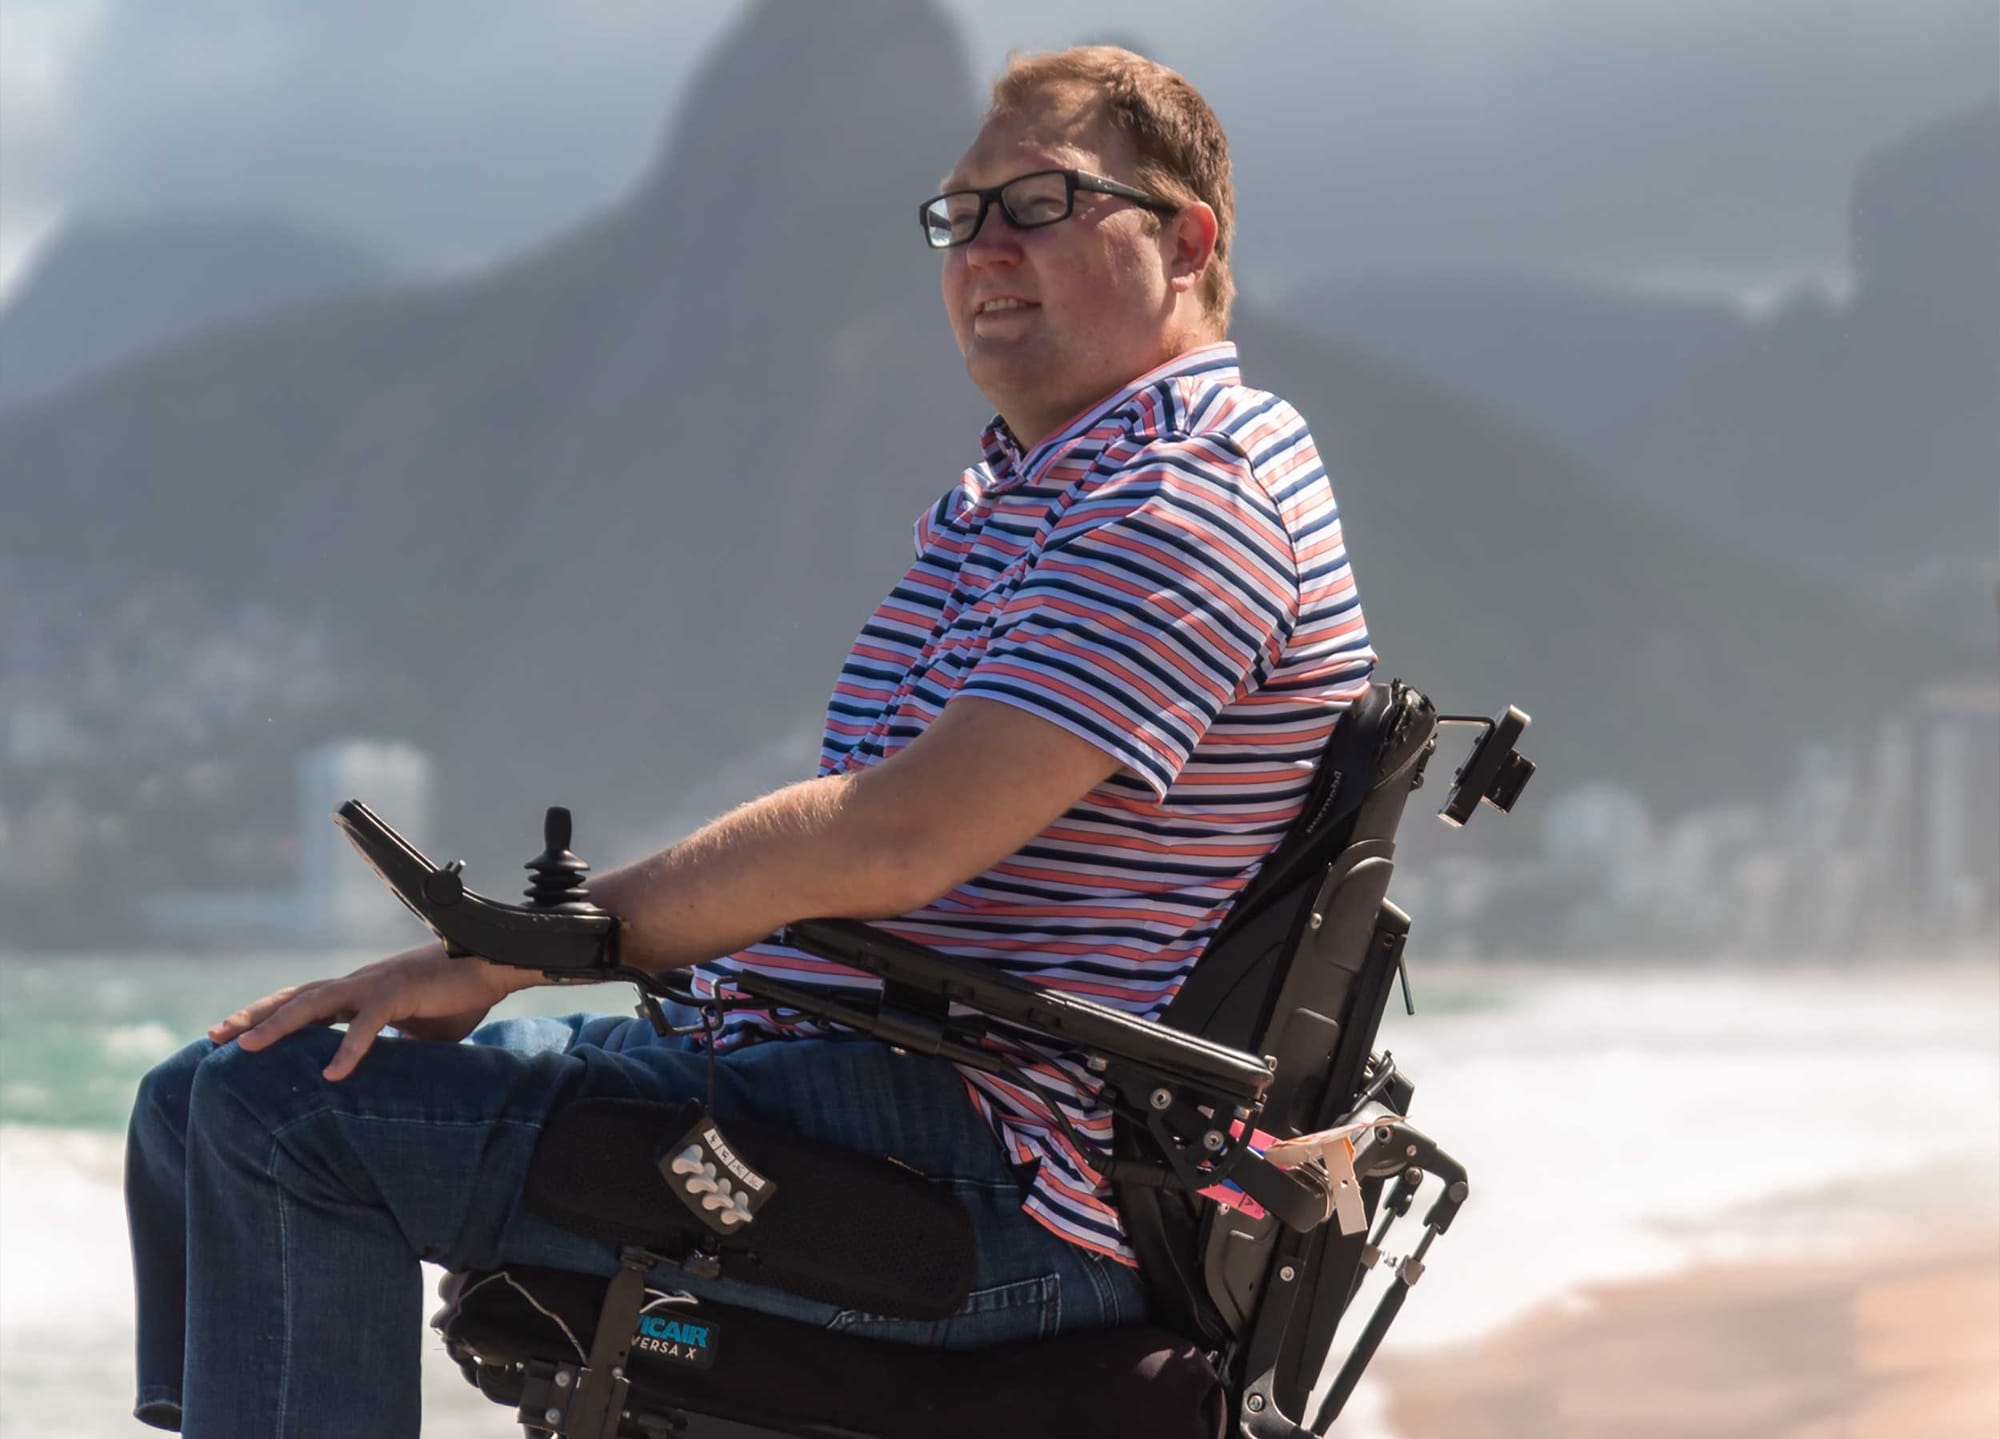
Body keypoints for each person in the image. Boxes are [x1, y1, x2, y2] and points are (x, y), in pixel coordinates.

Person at [124, 45, 1375, 1436]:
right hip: (830, 1089)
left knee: (286, 1118)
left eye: (1037, 204)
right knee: (202, 1097)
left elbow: (900, 837)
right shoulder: (1027, 494)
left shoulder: (1189, 496)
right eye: (960, 216)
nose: (984, 249)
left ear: (1185, 241)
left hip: (991, 1176)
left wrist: (514, 953)